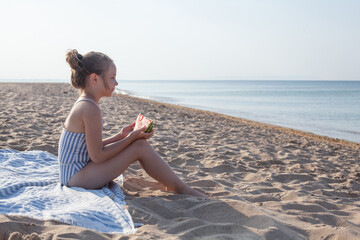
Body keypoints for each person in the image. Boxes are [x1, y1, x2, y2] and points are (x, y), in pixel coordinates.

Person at [58, 49, 206, 198]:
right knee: (139, 147)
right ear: (94, 79)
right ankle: (181, 188)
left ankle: (176, 185)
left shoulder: (86, 104)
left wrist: (120, 136)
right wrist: (130, 139)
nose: (116, 83)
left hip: (73, 173)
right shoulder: (90, 109)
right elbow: (97, 156)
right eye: (112, 78)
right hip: (76, 178)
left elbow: (90, 148)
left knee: (139, 144)